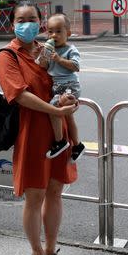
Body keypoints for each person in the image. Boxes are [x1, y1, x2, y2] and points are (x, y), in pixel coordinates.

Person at [0, 1, 79, 255]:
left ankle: (52, 249)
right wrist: (56, 109)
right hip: (32, 134)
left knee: (55, 192)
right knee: (35, 196)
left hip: (58, 133)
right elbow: (19, 95)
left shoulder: (47, 50)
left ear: (40, 23)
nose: (27, 24)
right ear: (12, 24)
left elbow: (64, 78)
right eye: (21, 19)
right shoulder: (8, 56)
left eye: (32, 19)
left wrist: (68, 100)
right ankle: (36, 253)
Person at [38, 13, 85, 161]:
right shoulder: (50, 49)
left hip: (69, 86)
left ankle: (60, 142)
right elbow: (42, 66)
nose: (54, 35)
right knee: (67, 116)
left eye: (59, 31)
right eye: (50, 31)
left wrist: (59, 59)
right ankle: (77, 145)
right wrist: (44, 55)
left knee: (54, 109)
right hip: (58, 87)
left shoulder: (70, 49)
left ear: (68, 33)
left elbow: (76, 66)